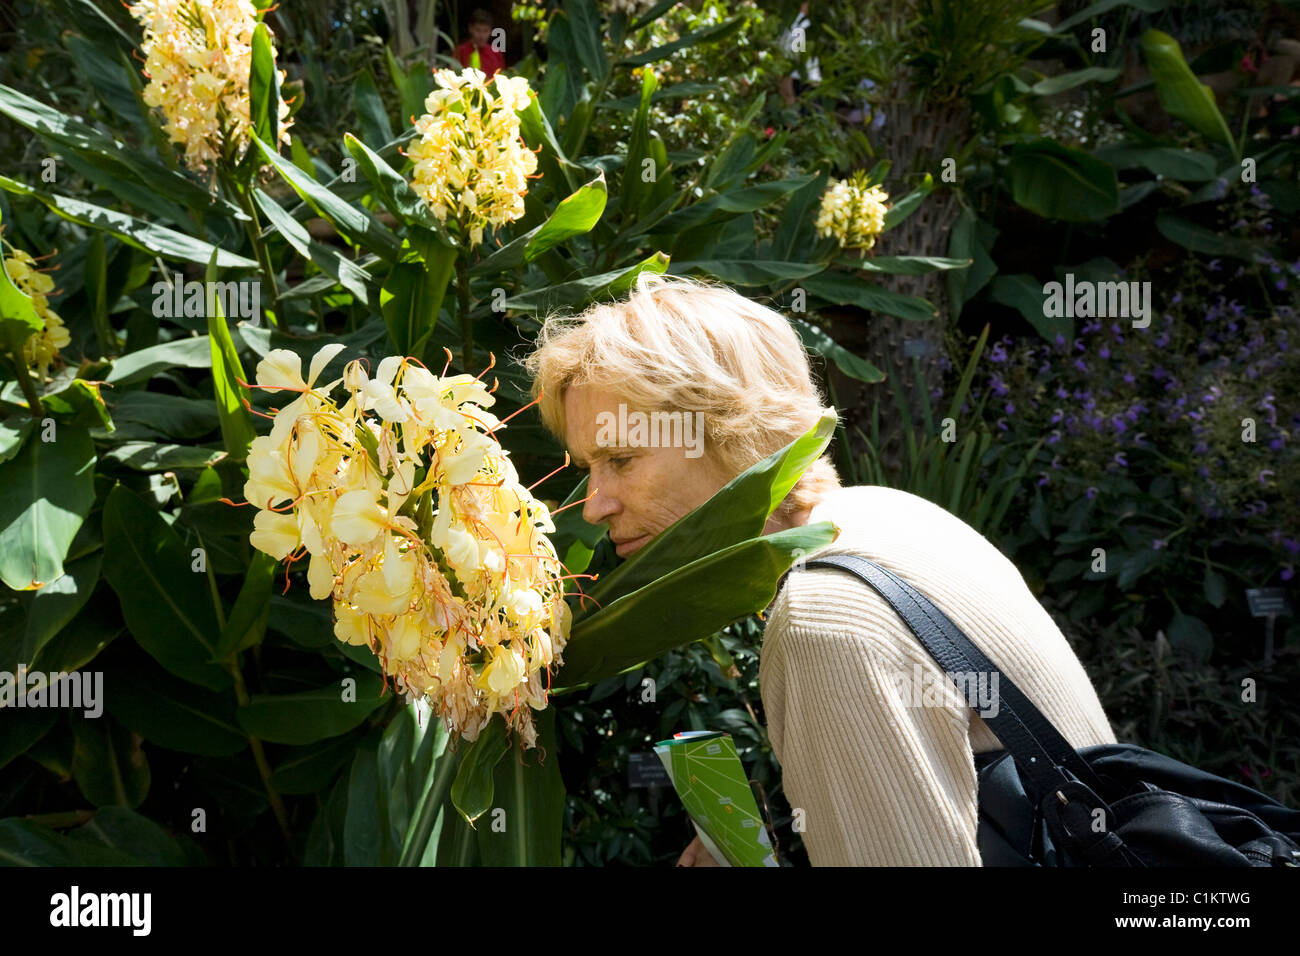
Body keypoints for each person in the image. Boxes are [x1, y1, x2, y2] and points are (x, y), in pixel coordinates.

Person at [520, 272, 1117, 866]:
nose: (593, 506)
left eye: (620, 459)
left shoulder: (824, 617)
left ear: (735, 431)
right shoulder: (893, 515)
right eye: (588, 468)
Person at [455, 7, 506, 79]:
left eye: (485, 31)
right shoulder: (460, 51)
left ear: (490, 31)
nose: (482, 36)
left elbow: (502, 77)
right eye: (478, 30)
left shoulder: (496, 53)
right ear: (470, 29)